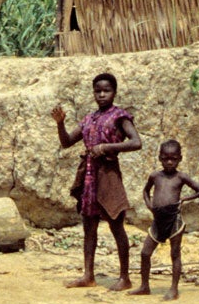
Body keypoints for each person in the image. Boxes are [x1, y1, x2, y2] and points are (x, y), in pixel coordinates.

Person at [51, 71, 142, 289]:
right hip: (89, 176)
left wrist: (107, 147)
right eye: (98, 91)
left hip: (109, 175)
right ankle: (88, 275)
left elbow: (136, 142)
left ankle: (125, 278)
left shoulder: (119, 116)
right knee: (89, 226)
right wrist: (60, 124)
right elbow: (66, 142)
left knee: (116, 224)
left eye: (106, 91)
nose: (102, 94)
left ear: (114, 92)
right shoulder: (89, 119)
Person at [132, 139, 199, 300]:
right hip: (158, 219)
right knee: (145, 253)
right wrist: (149, 205)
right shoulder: (155, 176)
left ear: (180, 158)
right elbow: (145, 191)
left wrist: (185, 199)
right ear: (160, 158)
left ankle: (174, 289)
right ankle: (144, 286)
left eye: (173, 159)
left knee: (175, 253)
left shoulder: (181, 177)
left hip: (174, 219)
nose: (169, 162)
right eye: (166, 158)